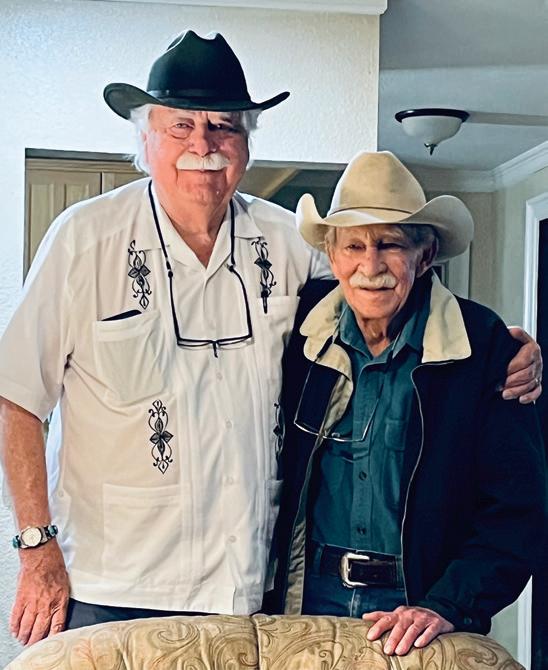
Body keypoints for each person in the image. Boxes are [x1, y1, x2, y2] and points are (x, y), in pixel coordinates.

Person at [0, 32, 540, 647]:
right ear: (145, 140)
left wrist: (505, 347)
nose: (203, 146)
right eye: (181, 127)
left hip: (248, 592)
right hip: (110, 586)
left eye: (224, 127)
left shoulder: (286, 242)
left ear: (246, 144)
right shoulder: (83, 239)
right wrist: (36, 548)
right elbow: (15, 397)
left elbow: (380, 287)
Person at [273, 151, 547, 657]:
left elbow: (519, 511)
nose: (370, 266)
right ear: (333, 256)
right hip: (305, 597)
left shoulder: (485, 347)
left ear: (425, 256)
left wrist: (446, 604)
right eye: (354, 245)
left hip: (419, 607)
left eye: (390, 244)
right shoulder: (296, 334)